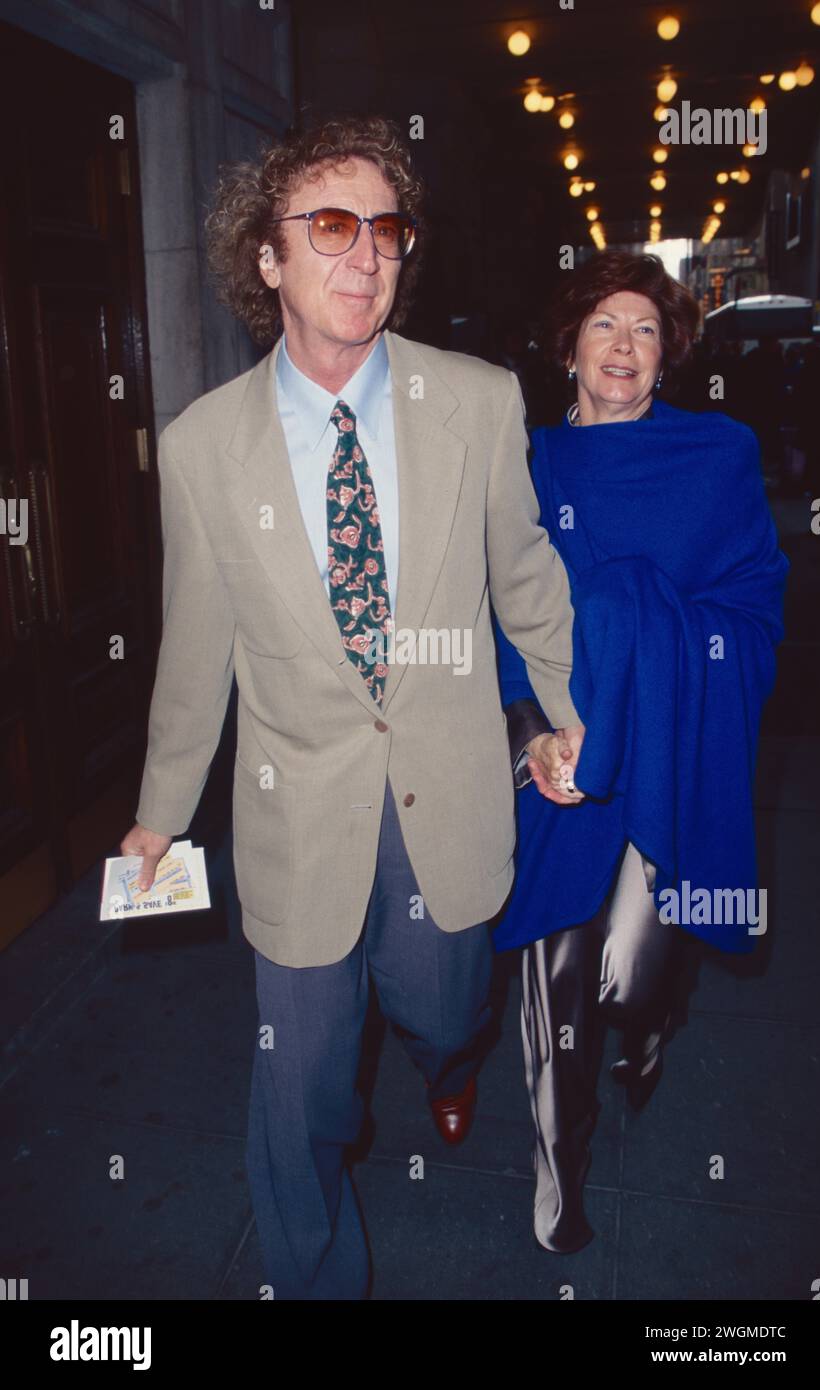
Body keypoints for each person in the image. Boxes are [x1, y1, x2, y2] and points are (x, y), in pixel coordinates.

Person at [117, 114, 584, 1300]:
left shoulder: (477, 403)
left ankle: (451, 1055)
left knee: (444, 1002)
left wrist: (563, 707)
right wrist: (159, 814)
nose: (364, 253)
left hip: (449, 793)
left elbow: (525, 576)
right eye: (330, 225)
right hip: (294, 810)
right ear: (264, 258)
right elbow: (194, 648)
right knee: (302, 1086)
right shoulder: (201, 448)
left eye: (384, 228)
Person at [492, 250, 788, 1255]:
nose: (622, 346)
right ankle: (556, 1164)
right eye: (603, 326)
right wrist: (533, 738)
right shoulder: (521, 461)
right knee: (563, 974)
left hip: (670, 741)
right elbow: (483, 614)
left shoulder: (716, 454)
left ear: (666, 358)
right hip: (559, 763)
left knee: (629, 977)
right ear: (566, 347)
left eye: (645, 330)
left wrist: (645, 636)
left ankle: (658, 1018)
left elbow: (750, 606)